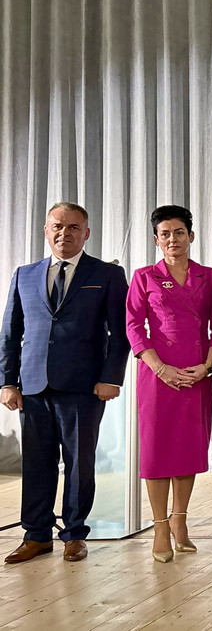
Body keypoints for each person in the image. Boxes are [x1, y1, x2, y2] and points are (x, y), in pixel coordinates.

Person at [1, 202, 130, 564]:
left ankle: (74, 534)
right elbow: (10, 333)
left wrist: (110, 378)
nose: (64, 233)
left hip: (84, 387)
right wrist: (7, 382)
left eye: (73, 227)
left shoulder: (107, 274)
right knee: (36, 464)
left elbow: (120, 334)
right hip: (33, 386)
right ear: (46, 230)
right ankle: (36, 535)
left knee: (78, 464)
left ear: (86, 233)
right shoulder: (24, 275)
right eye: (57, 226)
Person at [125, 205, 212, 563]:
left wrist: (207, 366)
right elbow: (133, 325)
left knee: (187, 449)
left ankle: (180, 520)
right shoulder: (144, 276)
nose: (172, 239)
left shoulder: (208, 276)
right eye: (165, 234)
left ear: (190, 236)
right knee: (156, 451)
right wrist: (159, 368)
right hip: (157, 375)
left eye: (179, 232)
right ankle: (160, 527)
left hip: (196, 372)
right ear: (156, 240)